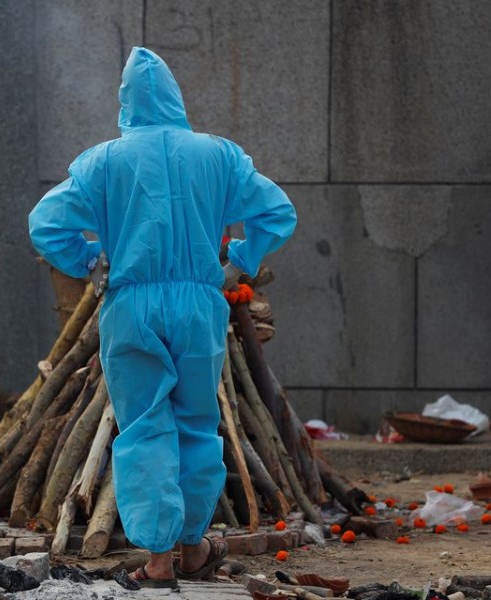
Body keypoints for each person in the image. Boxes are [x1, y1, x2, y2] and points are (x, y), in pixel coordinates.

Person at [29, 47, 296, 588]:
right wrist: (238, 263)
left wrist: (89, 263)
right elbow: (277, 211)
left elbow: (46, 223)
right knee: (197, 424)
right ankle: (194, 545)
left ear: (125, 101)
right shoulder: (218, 155)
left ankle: (157, 562)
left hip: (131, 305)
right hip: (199, 306)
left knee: (144, 427)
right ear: (175, 96)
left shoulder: (102, 161)